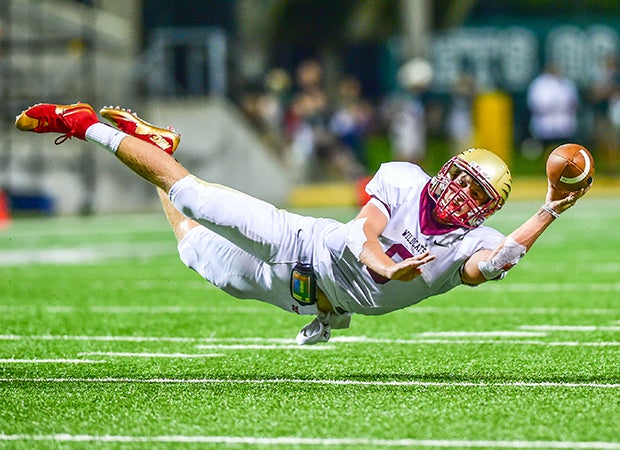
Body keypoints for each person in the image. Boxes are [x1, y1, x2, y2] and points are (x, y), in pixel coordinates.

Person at [15, 102, 590, 345]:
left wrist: (548, 210)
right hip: (304, 241)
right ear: (446, 170)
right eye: (460, 176)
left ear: (486, 209)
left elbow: (492, 265)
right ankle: (87, 124)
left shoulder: (477, 240)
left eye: (475, 190)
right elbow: (367, 230)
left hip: (307, 298)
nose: (460, 190)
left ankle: (155, 145)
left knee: (193, 251)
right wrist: (385, 263)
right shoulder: (407, 180)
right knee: (193, 199)